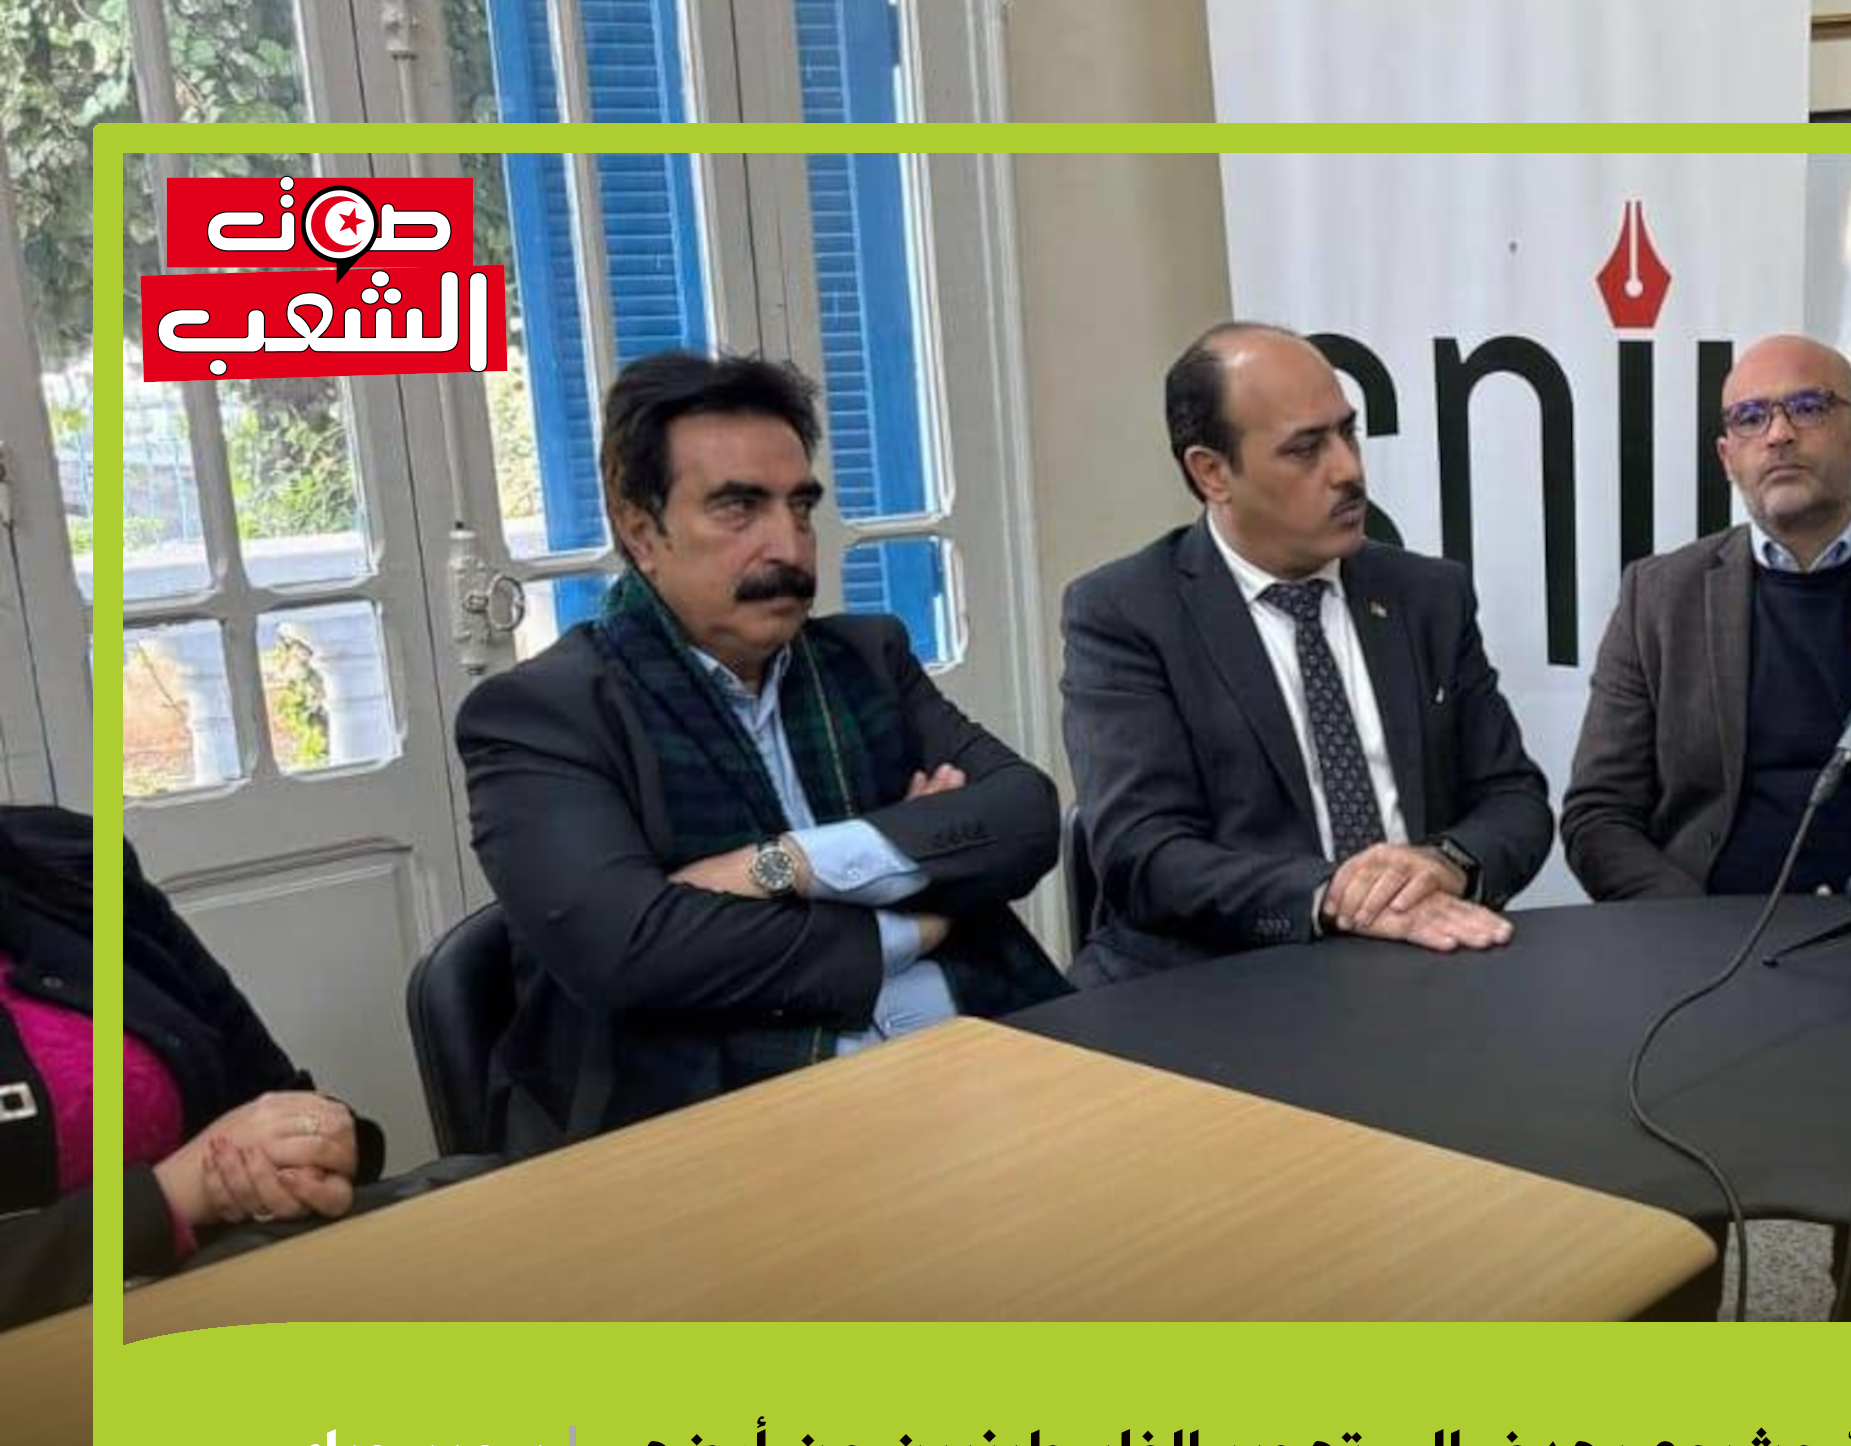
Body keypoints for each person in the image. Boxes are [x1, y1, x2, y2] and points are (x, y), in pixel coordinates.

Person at [456, 351, 1070, 1152]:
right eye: (738, 508)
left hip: (980, 1060)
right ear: (642, 533)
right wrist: (915, 911)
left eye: (800, 507)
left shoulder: (865, 658)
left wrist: (781, 866)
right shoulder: (544, 713)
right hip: (721, 1120)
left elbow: (1023, 816)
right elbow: (632, 952)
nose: (788, 545)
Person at [1059, 322, 1554, 985]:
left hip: (1421, 969)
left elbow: (1514, 799)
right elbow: (1143, 854)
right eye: (1305, 449)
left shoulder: (1427, 595)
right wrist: (1330, 895)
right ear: (1212, 472)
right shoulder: (1126, 612)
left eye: (1348, 433)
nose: (1348, 469)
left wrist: (1445, 862)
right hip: (1219, 980)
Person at [1561, 333, 1851, 901]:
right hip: (1708, 928)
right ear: (1726, 457)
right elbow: (1599, 814)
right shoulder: (1656, 598)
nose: (1778, 434)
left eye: (1808, 407)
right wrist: (1690, 930)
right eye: (1750, 418)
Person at [0, 806, 382, 1329]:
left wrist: (313, 1153)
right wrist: (171, 1196)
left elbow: (267, 1089)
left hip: (238, 1305)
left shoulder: (65, 858)